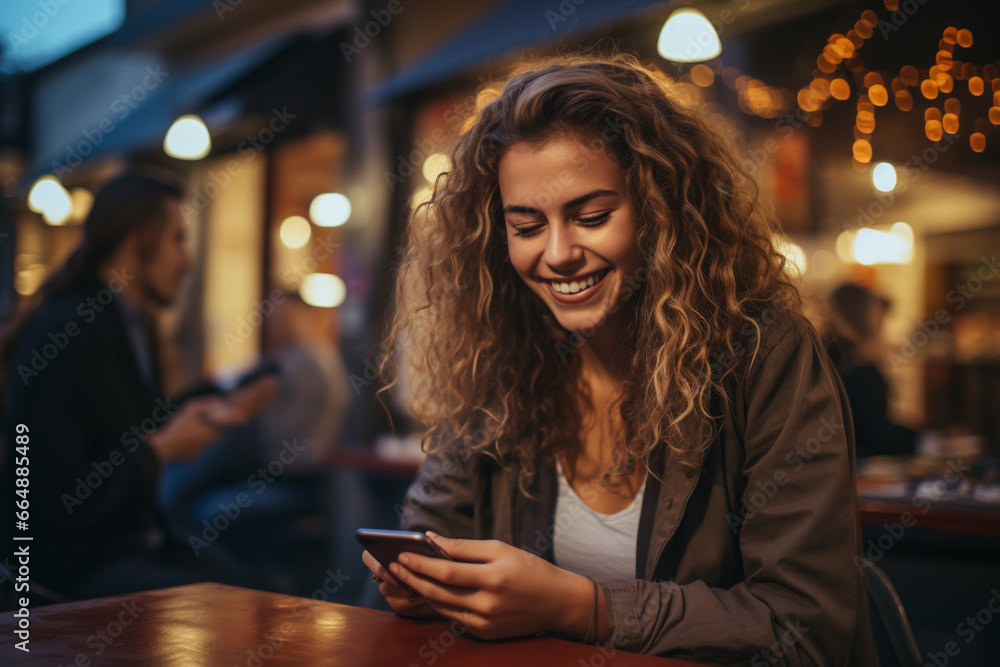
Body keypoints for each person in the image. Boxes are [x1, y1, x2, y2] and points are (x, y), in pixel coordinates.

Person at [360, 55, 879, 664]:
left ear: (663, 211)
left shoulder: (764, 352)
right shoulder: (501, 358)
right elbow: (428, 534)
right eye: (526, 226)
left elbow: (804, 628)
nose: (558, 254)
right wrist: (424, 587)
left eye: (592, 217)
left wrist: (583, 608)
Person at [0, 170, 278, 601]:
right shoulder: (70, 329)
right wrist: (163, 448)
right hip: (72, 570)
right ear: (137, 241)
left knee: (263, 594)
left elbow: (128, 427)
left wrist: (217, 405)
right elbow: (51, 493)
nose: (187, 261)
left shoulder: (128, 323)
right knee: (248, 607)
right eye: (178, 240)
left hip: (134, 546)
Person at [826, 283, 917, 459]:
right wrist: (926, 440)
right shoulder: (858, 368)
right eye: (878, 316)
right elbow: (877, 436)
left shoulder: (833, 358)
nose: (881, 325)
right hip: (860, 469)